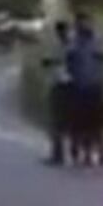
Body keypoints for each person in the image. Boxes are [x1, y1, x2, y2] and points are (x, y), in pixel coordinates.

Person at [65, 11, 103, 167]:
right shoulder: (73, 41)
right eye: (82, 23)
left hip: (95, 86)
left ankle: (102, 152)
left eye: (88, 22)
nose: (85, 25)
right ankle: (84, 153)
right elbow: (68, 60)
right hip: (79, 86)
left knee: (98, 123)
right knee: (80, 124)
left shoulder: (97, 40)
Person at [40, 19, 73, 166]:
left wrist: (50, 62)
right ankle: (66, 152)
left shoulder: (63, 47)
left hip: (62, 85)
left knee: (57, 122)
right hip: (70, 85)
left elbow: (49, 62)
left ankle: (58, 153)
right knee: (64, 122)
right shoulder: (71, 45)